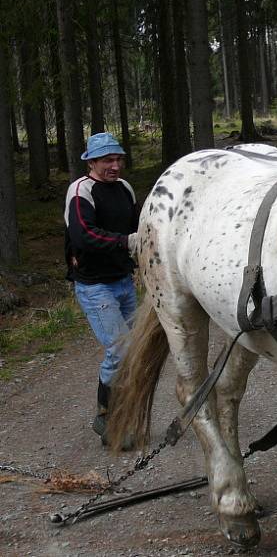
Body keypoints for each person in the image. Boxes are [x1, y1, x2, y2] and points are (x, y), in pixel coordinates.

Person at [64, 132, 139, 446]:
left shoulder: (124, 189)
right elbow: (84, 236)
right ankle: (105, 417)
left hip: (124, 280)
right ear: (91, 162)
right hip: (95, 286)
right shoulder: (81, 191)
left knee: (133, 350)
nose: (115, 165)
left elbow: (137, 226)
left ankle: (124, 417)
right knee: (119, 351)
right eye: (108, 160)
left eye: (118, 159)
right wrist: (125, 242)